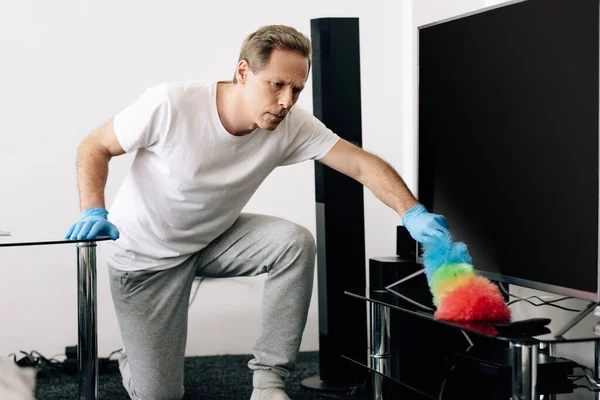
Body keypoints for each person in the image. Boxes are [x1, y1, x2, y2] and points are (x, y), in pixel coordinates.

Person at [65, 25, 449, 400]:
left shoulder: (291, 124)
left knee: (294, 243)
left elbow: (362, 165)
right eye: (277, 85)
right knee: (160, 394)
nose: (287, 101)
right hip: (146, 258)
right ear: (243, 72)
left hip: (213, 238)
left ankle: (268, 383)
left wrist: (412, 212)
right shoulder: (170, 104)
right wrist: (93, 209)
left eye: (296, 89)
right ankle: (136, 360)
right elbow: (94, 145)